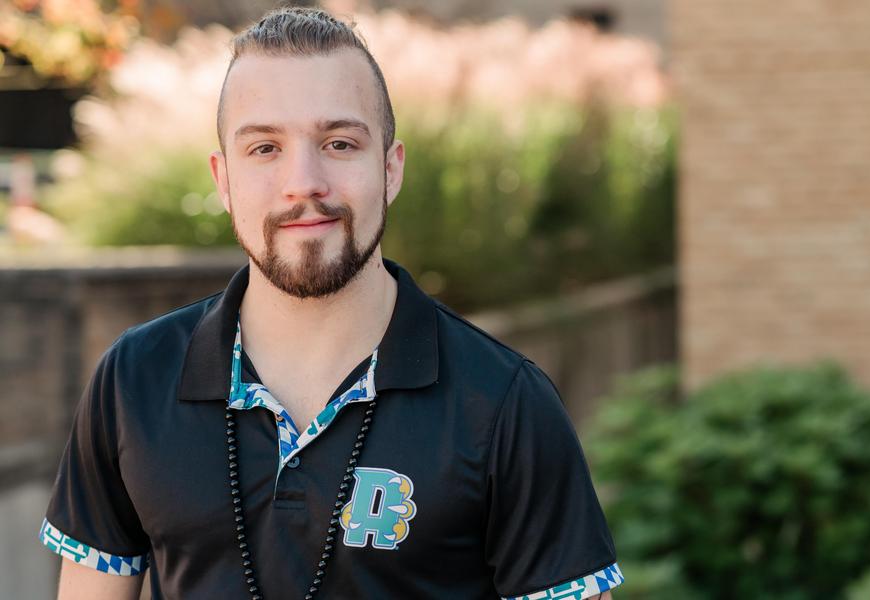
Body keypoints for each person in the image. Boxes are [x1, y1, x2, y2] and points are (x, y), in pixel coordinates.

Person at [39, 8, 622, 599]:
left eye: (339, 143)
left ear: (390, 169)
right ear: (223, 180)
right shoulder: (134, 378)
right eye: (264, 148)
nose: (304, 181)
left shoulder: (504, 402)